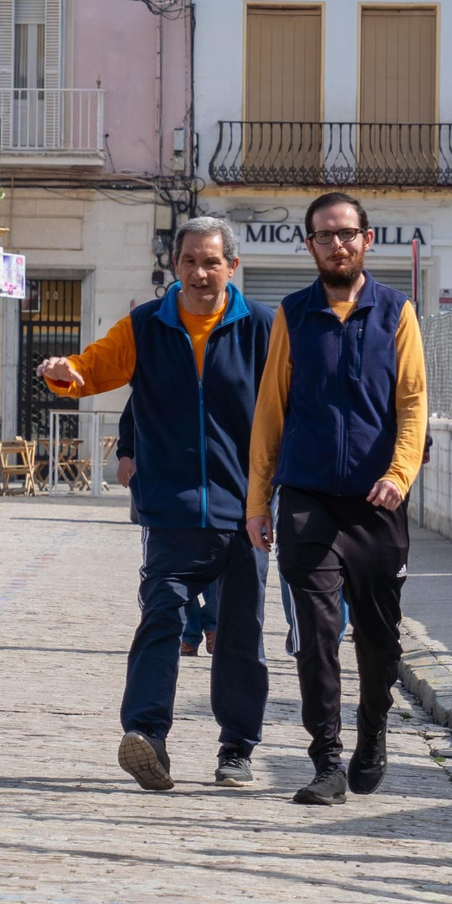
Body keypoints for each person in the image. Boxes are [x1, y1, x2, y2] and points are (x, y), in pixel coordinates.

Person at [37, 216, 273, 792]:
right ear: (176, 266)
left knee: (240, 633)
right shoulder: (146, 325)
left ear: (231, 267)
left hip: (245, 511)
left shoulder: (263, 328)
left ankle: (236, 749)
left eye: (210, 262)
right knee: (161, 618)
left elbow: (293, 404)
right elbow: (95, 367)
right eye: (189, 261)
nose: (198, 272)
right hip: (170, 509)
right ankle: (147, 737)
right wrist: (65, 375)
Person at [246, 191, 428, 807]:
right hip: (308, 498)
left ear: (366, 239)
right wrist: (257, 500)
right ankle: (325, 760)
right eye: (325, 236)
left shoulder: (396, 313)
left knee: (380, 639)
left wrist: (399, 475)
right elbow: (270, 413)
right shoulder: (291, 316)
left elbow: (411, 405)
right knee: (317, 633)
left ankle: (372, 728)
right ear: (310, 246)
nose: (338, 245)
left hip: (377, 503)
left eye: (347, 233)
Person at [118, 401, 219, 657]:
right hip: (165, 489)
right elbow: (132, 417)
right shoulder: (157, 367)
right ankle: (189, 632)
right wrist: (125, 455)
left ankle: (216, 625)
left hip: (216, 486)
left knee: (216, 565)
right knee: (171, 571)